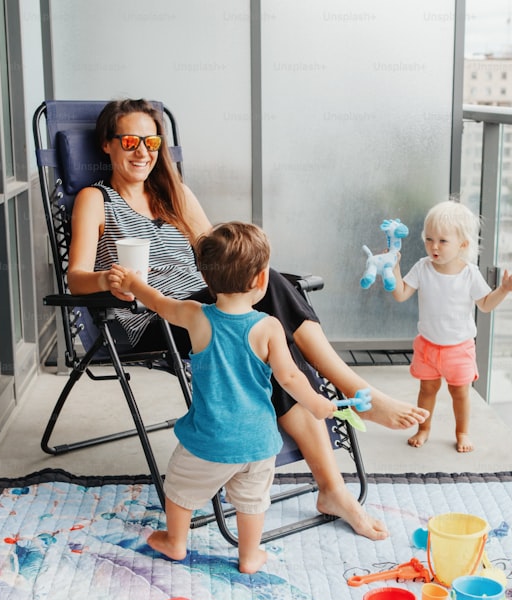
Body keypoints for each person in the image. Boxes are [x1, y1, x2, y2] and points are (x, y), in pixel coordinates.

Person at [67, 98, 428, 541]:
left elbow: (217, 257)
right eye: (129, 140)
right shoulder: (95, 199)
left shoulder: (174, 195)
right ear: (107, 145)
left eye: (152, 141)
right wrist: (109, 280)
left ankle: (334, 485)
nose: (142, 151)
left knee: (271, 336)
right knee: (266, 331)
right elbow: (77, 278)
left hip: (212, 306)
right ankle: (353, 409)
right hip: (156, 318)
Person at [108, 222, 337, 573]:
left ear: (205, 278)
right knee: (252, 500)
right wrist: (316, 404)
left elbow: (157, 302)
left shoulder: (195, 316)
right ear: (262, 280)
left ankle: (175, 541)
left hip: (209, 440)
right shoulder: (269, 327)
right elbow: (290, 376)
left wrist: (132, 282)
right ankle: (249, 556)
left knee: (180, 489)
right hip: (259, 442)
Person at [390, 200, 512, 453]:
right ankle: (424, 428)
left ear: (462, 245)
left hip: (459, 349)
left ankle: (462, 432)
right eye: (429, 239)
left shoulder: (469, 273)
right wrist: (394, 269)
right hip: (428, 346)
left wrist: (504, 290)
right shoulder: (423, 267)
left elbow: (485, 305)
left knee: (460, 393)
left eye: (443, 241)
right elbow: (400, 294)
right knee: (427, 389)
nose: (434, 246)